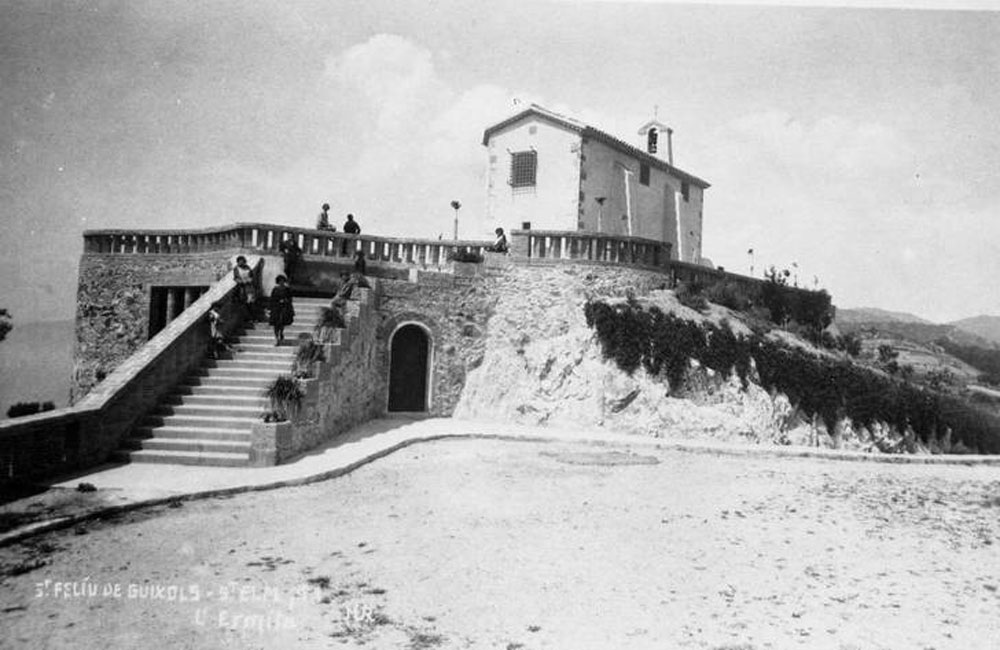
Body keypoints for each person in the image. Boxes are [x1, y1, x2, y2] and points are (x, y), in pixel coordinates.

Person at [268, 275, 294, 345]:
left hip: (284, 308)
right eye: (280, 281)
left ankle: (281, 333)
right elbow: (272, 299)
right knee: (276, 324)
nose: (281, 282)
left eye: (282, 281)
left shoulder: (287, 289)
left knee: (282, 322)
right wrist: (271, 308)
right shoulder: (275, 289)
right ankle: (276, 338)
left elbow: (290, 298)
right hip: (276, 308)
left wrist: (286, 301)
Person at [233, 256, 257, 321]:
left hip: (249, 287)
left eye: (242, 261)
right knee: (243, 302)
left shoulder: (248, 268)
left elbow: (252, 276)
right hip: (242, 288)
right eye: (239, 261)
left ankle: (252, 317)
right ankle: (246, 318)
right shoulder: (236, 269)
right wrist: (240, 281)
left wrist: (250, 280)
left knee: (251, 302)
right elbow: (235, 278)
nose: (241, 262)